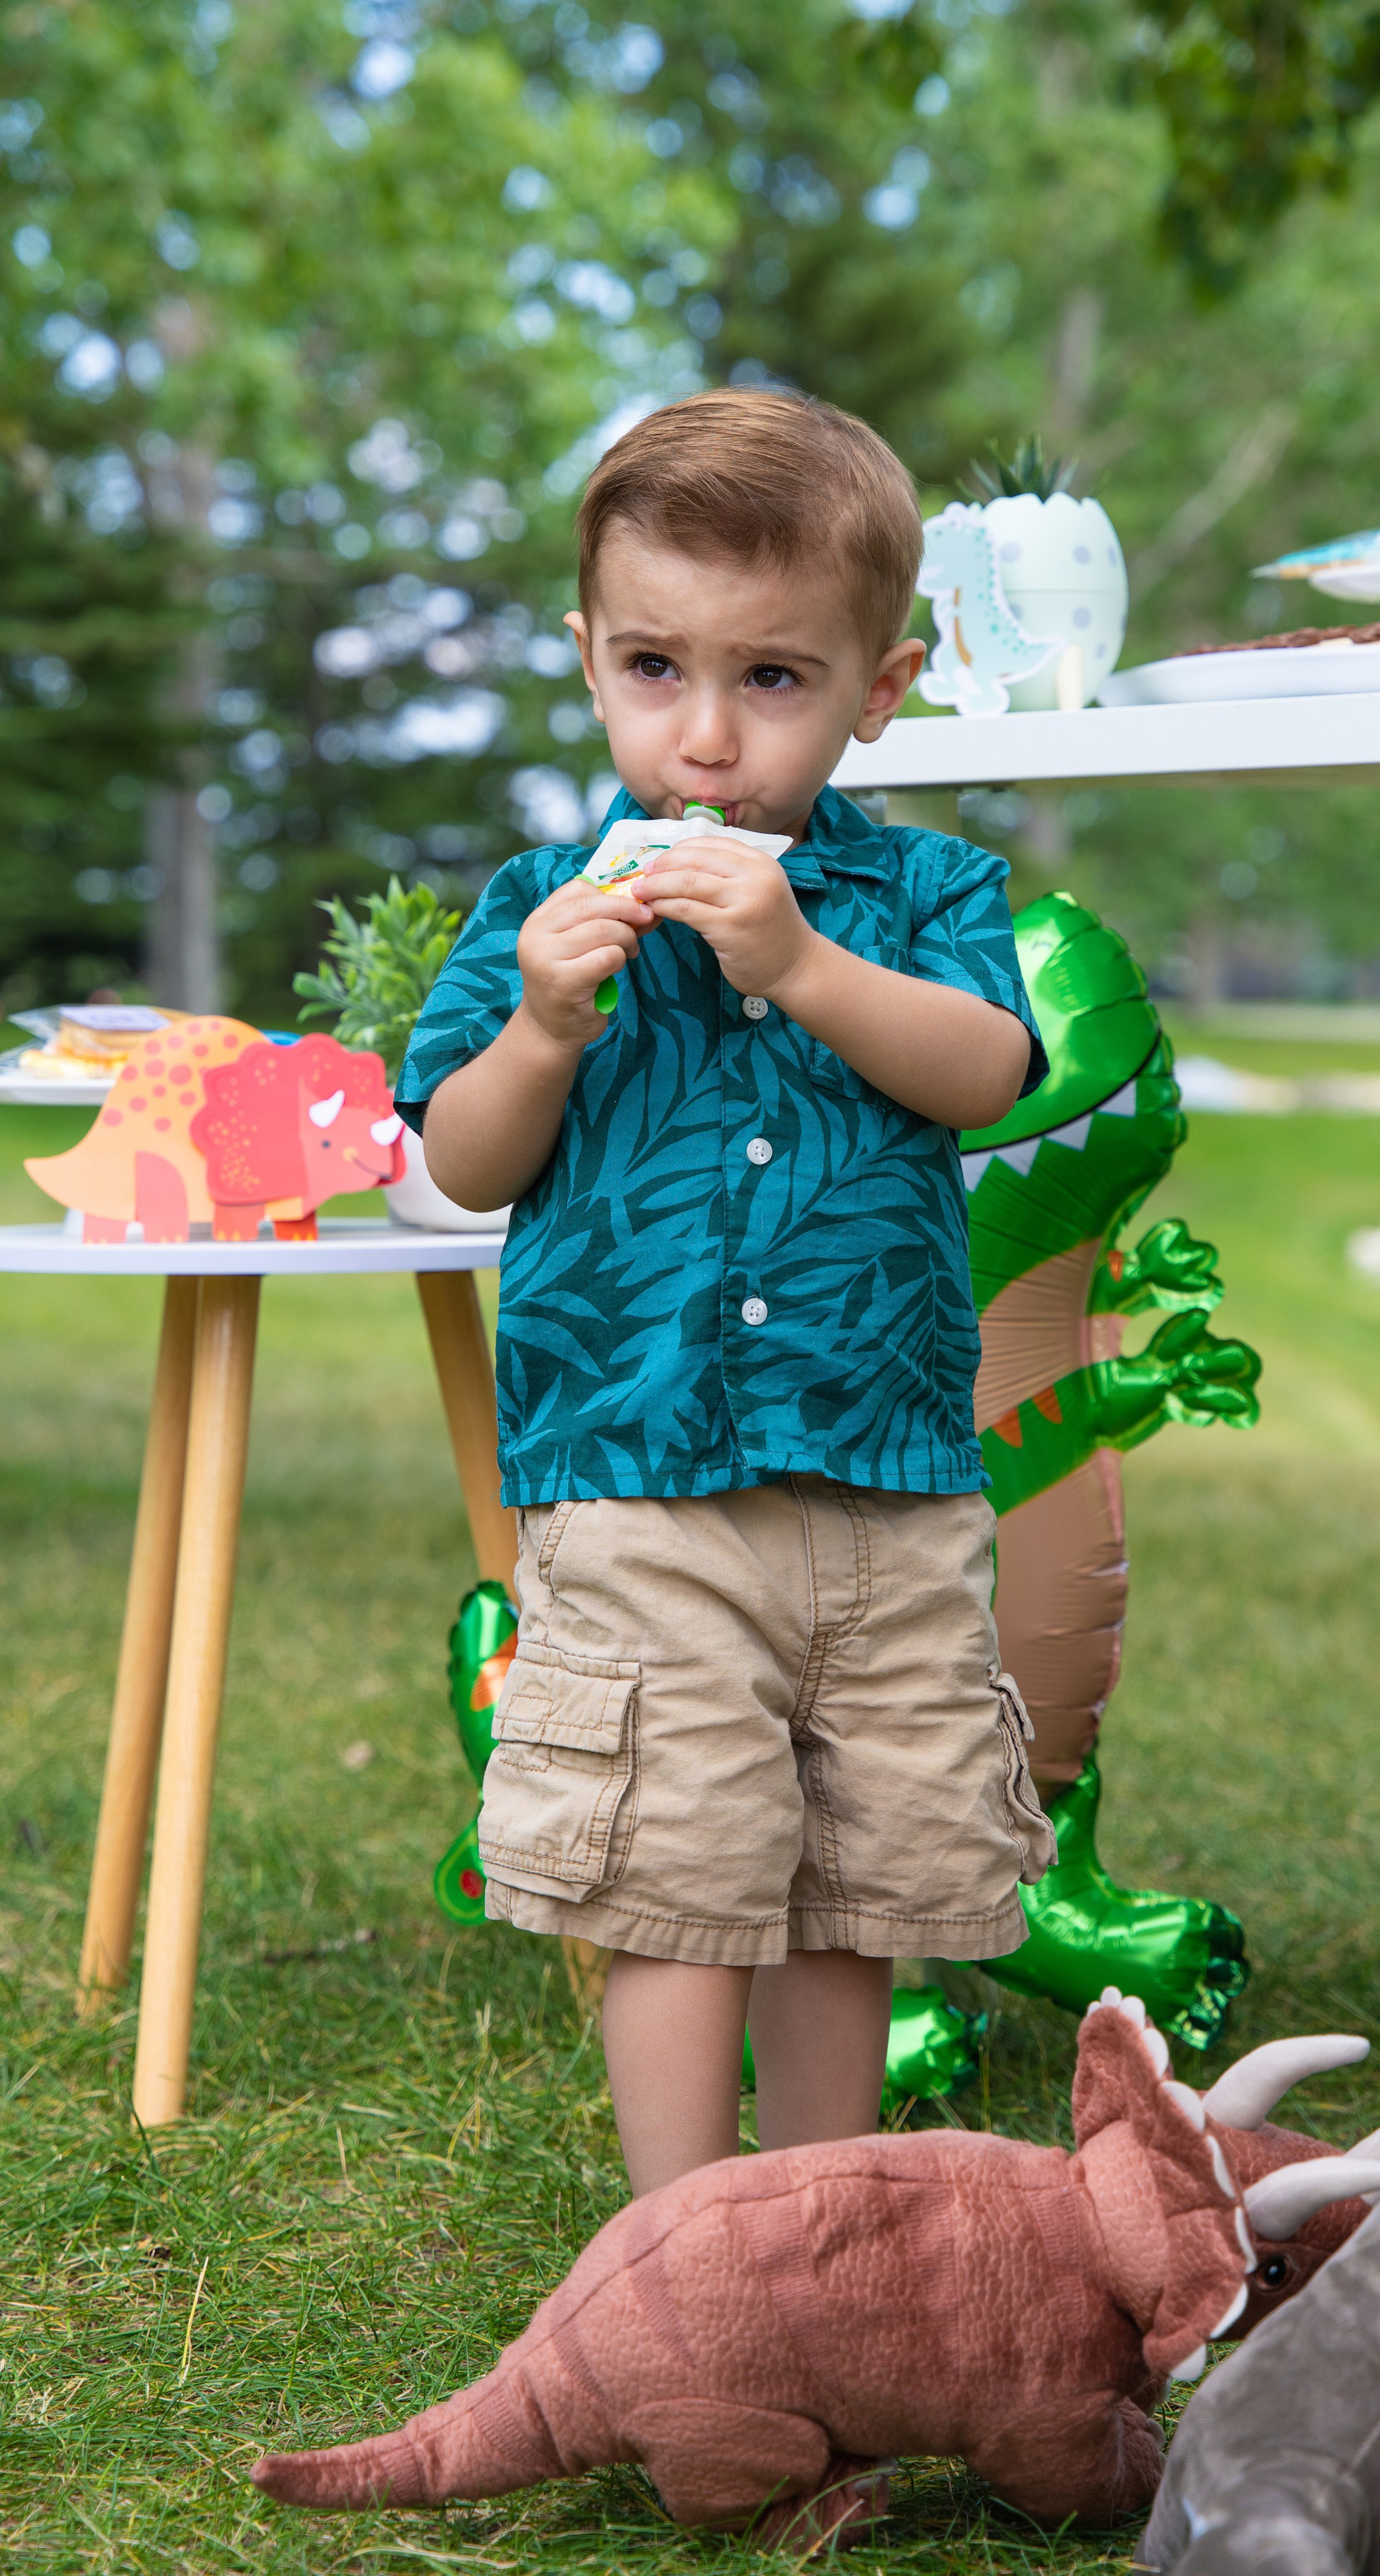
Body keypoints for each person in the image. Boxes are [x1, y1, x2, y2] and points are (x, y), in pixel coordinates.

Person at [398, 387, 1056, 2198]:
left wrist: (803, 959)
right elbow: (465, 1158)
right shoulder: (540, 906)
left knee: (855, 1878)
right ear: (588, 660)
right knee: (673, 1864)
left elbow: (987, 1071)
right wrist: (542, 1024)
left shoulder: (925, 891)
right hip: (638, 1477)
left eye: (773, 680)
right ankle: (684, 2249)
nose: (703, 741)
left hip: (884, 1480)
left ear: (884, 684)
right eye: (653, 670)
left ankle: (815, 2233)